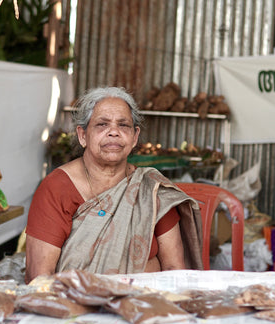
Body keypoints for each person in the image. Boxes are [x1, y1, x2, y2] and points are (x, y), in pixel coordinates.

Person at [25, 86, 203, 284]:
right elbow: (40, 278)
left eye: (123, 125)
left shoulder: (150, 190)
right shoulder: (56, 188)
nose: (114, 132)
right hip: (74, 308)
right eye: (102, 124)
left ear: (135, 137)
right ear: (83, 135)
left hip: (142, 307)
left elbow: (174, 269)